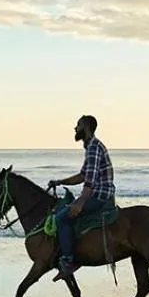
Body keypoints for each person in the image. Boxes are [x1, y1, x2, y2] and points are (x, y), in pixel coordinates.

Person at [46, 114, 115, 279]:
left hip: (99, 196)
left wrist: (80, 203)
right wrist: (59, 181)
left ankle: (70, 261)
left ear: (87, 127)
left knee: (62, 218)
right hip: (98, 192)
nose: (75, 128)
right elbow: (82, 176)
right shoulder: (91, 147)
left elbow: (89, 182)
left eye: (78, 125)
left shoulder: (93, 148)